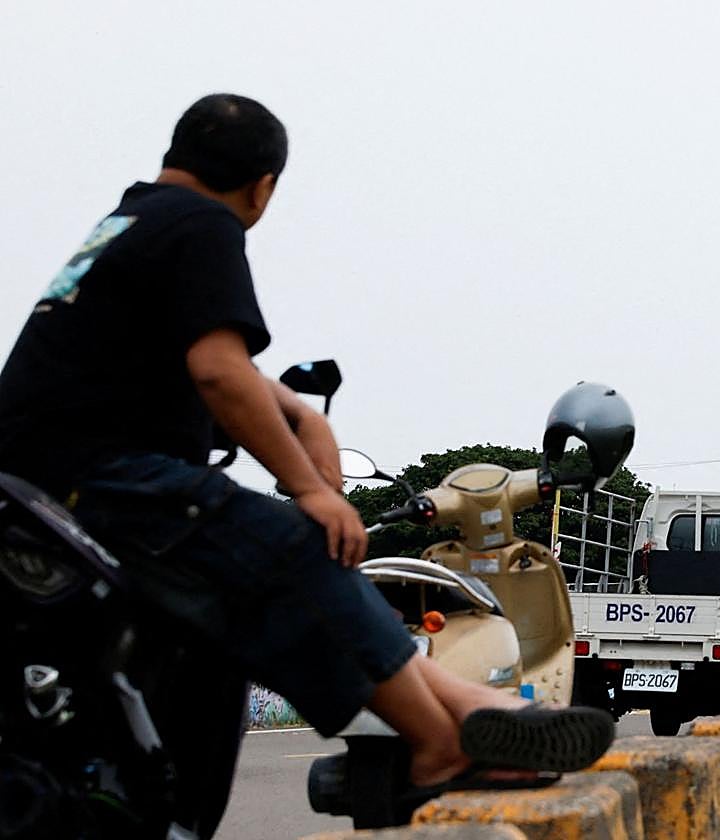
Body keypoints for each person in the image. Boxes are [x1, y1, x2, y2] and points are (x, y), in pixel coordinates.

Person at [0, 93, 611, 832]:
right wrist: (307, 490)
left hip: (48, 490)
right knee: (297, 545)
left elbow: (224, 368)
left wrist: (296, 412)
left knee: (265, 589)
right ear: (264, 186)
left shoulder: (132, 221)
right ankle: (439, 743)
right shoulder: (201, 225)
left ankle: (464, 709)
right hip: (97, 481)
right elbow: (220, 370)